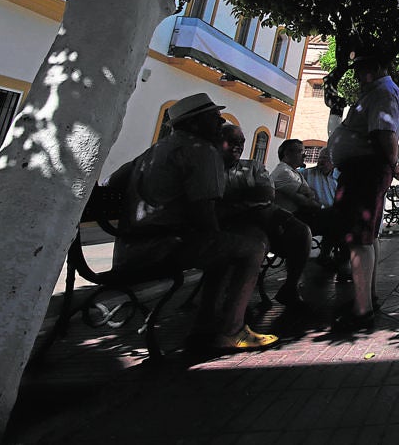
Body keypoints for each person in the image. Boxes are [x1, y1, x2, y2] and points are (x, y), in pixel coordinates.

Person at [110, 93, 277, 352]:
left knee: (225, 248)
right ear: (195, 123)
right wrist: (219, 235)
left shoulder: (156, 149)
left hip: (128, 248)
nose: (220, 122)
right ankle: (231, 329)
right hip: (162, 248)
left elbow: (115, 180)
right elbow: (204, 215)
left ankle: (206, 324)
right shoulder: (201, 152)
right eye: (213, 118)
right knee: (251, 247)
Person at [326, 53, 399, 331]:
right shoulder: (377, 92)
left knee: (360, 239)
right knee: (367, 236)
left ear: (377, 66)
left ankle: (362, 309)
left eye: (362, 68)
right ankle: (366, 298)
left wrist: (394, 163)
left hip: (365, 170)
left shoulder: (384, 93)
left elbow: (384, 134)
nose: (358, 74)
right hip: (363, 169)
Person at [217, 124, 312, 311]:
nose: (238, 146)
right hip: (235, 224)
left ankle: (290, 287)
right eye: (232, 141)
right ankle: (231, 310)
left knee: (303, 232)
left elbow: (267, 193)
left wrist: (233, 196)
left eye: (241, 142)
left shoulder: (252, 166)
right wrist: (250, 194)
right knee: (255, 243)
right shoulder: (210, 169)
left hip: (265, 217)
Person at [301, 148, 343, 268]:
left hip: (335, 215)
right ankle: (326, 256)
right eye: (320, 158)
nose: (322, 161)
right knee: (334, 219)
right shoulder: (306, 174)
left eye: (326, 159)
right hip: (315, 214)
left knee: (341, 220)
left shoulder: (339, 176)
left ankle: (341, 260)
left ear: (334, 161)